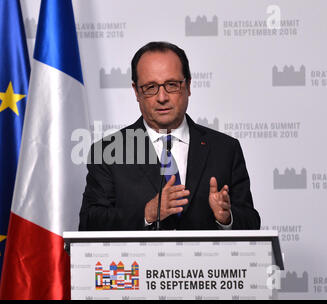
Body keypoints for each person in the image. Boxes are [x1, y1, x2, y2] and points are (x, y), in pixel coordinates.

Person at [79, 41, 260, 231]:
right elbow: (89, 223)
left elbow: (251, 221)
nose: (162, 97)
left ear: (188, 86)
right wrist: (146, 214)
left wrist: (227, 218)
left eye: (172, 85)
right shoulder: (109, 151)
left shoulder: (225, 149)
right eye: (150, 87)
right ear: (136, 92)